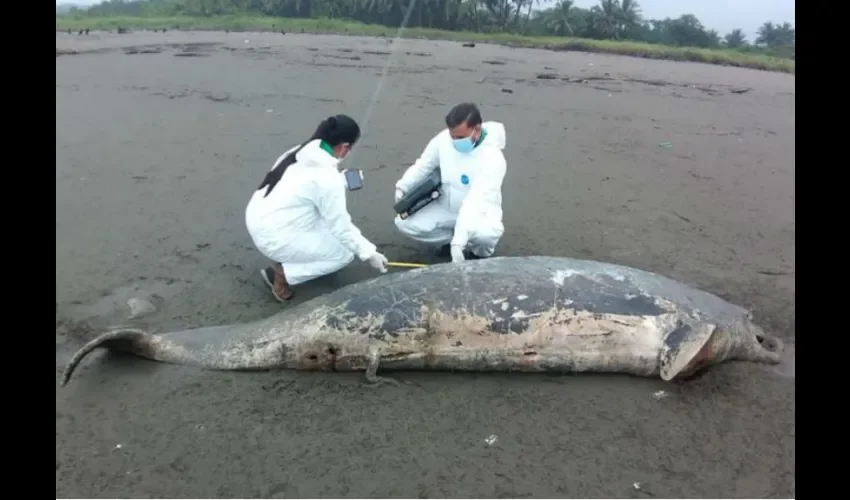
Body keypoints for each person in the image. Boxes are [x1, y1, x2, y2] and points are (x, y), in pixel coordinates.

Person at [245, 114, 389, 302]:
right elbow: (342, 228)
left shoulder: (299, 151)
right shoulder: (326, 178)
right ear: (344, 147)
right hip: (273, 235)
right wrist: (369, 253)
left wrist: (339, 180)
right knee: (344, 254)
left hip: (260, 215)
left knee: (328, 227)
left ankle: (296, 257)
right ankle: (280, 275)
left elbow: (304, 186)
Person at [393, 103, 506, 263]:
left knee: (485, 236)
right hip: (445, 206)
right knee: (405, 223)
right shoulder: (443, 140)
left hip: (480, 212)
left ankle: (479, 253)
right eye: (452, 136)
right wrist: (403, 187)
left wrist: (459, 240)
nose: (455, 141)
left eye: (460, 138)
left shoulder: (493, 159)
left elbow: (475, 203)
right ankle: (450, 240)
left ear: (477, 129)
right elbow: (423, 166)